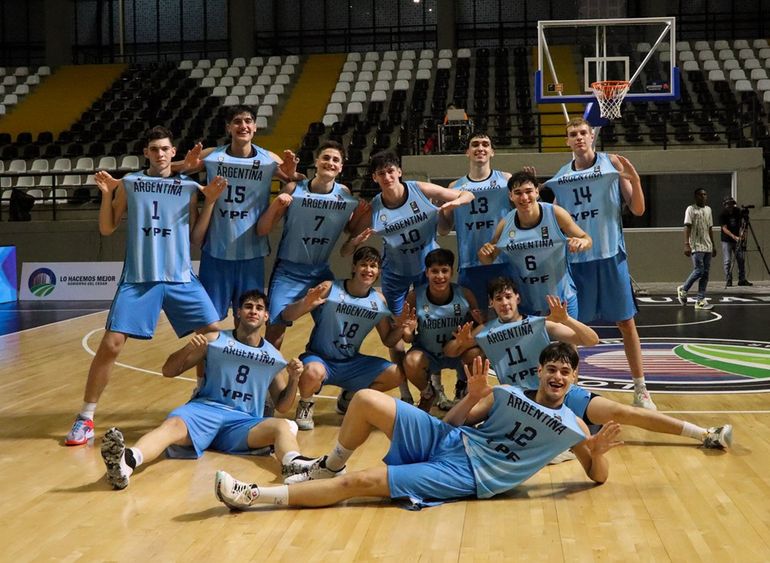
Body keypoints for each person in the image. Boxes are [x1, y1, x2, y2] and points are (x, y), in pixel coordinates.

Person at [214, 344, 625, 511]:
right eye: (551, 369)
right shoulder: (508, 394)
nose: (557, 376)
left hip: (468, 473)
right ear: (539, 371)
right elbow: (449, 423)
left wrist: (600, 454)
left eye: (564, 372)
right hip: (451, 440)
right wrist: (470, 395)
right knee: (366, 399)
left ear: (573, 378)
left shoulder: (571, 424)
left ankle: (254, 496)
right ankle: (329, 464)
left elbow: (596, 477)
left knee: (360, 483)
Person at [65, 126, 225, 446]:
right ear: (147, 153)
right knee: (111, 344)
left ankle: (199, 394)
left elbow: (195, 239)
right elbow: (108, 228)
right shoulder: (131, 183)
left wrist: (209, 203)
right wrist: (107, 194)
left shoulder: (191, 187)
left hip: (180, 277)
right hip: (140, 278)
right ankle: (85, 417)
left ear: (173, 152)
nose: (161, 154)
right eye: (154, 149)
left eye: (165, 148)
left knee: (214, 335)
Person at [449, 277, 733, 451]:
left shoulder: (538, 324)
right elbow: (451, 350)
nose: (504, 303)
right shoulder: (483, 332)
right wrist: (460, 344)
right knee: (468, 416)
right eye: (498, 299)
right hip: (520, 400)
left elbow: (592, 339)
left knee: (622, 412)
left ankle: (705, 433)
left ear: (517, 298)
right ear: (492, 303)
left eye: (508, 297)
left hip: (559, 392)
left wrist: (566, 319)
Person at [100, 289, 306, 489]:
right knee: (171, 426)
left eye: (259, 308)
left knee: (283, 426)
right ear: (238, 312)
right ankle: (126, 463)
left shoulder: (273, 357)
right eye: (248, 306)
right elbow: (168, 370)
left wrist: (294, 379)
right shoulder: (214, 340)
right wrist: (188, 349)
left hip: (243, 424)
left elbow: (283, 405)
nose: (253, 311)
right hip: (203, 412)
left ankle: (295, 466)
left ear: (266, 316)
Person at [542, 117, 656, 410]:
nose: (578, 138)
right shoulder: (560, 178)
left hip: (611, 256)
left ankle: (641, 389)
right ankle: (571, 389)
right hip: (578, 262)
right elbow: (551, 218)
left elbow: (639, 209)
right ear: (567, 141)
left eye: (583, 133)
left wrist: (636, 179)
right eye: (572, 134)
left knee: (626, 323)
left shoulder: (612, 165)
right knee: (573, 329)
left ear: (592, 136)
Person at [364, 150, 475, 403]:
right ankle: (404, 389)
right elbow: (350, 231)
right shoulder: (374, 207)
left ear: (399, 172)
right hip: (395, 273)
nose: (387, 176)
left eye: (391, 171)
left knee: (435, 325)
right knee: (398, 331)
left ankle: (436, 387)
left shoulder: (420, 189)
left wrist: (456, 202)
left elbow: (467, 194)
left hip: (428, 268)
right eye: (381, 173)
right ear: (374, 178)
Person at [179, 104, 299, 321]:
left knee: (248, 320)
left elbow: (295, 179)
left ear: (255, 127)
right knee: (209, 320)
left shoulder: (269, 159)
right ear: (228, 128)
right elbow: (179, 168)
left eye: (247, 121)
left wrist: (292, 174)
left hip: (251, 253)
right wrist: (185, 165)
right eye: (237, 121)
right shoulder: (212, 156)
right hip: (216, 252)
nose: (243, 125)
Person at [282, 246, 413, 430]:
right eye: (364, 265)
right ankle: (305, 404)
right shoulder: (330, 288)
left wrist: (401, 328)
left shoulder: (379, 301)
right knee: (312, 371)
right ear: (353, 267)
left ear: (378, 272)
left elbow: (388, 341)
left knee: (396, 374)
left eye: (373, 266)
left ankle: (350, 397)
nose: (368, 270)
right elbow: (287, 316)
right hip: (320, 359)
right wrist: (304, 304)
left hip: (351, 363)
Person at [257, 141, 371, 349]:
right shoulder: (294, 189)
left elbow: (350, 230)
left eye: (335, 160)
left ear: (341, 167)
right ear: (316, 162)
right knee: (274, 327)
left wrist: (363, 216)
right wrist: (276, 205)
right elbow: (263, 229)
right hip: (288, 271)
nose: (330, 162)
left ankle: (316, 363)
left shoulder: (344, 193)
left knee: (332, 323)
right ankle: (267, 377)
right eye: (326, 158)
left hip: (320, 271)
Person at [478, 169, 591, 318]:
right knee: (536, 342)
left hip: (561, 298)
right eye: (518, 192)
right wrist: (483, 253)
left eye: (528, 191)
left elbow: (587, 238)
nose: (524, 197)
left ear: (537, 192)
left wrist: (581, 242)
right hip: (526, 302)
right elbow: (488, 259)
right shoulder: (506, 224)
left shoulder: (556, 214)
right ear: (510, 196)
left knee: (570, 341)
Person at [437, 132, 513, 311]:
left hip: (503, 260)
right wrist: (440, 209)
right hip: (469, 263)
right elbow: (443, 230)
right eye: (475, 144)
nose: (480, 148)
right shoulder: (454, 187)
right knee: (476, 319)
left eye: (485, 144)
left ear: (492, 152)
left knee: (508, 317)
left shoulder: (506, 180)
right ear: (467, 152)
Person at [401, 248, 483, 411]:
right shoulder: (414, 297)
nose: (440, 276)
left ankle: (463, 387)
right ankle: (428, 393)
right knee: (410, 362)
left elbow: (481, 325)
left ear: (451, 272)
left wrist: (469, 337)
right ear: (427, 273)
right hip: (428, 353)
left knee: (477, 354)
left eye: (444, 271)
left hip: (458, 352)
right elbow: (407, 339)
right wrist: (408, 331)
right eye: (434, 271)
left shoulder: (465, 294)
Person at [677, 188, 717, 310]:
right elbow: (687, 226)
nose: (703, 196)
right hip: (696, 245)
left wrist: (713, 245)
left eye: (705, 194)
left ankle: (700, 300)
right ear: (696, 197)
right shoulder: (691, 209)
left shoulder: (708, 210)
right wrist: (686, 244)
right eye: (701, 195)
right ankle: (683, 289)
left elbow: (710, 228)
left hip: (707, 246)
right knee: (699, 270)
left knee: (705, 273)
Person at [719, 195, 752, 287]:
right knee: (727, 261)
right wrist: (734, 237)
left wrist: (742, 234)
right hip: (727, 240)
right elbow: (724, 229)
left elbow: (742, 224)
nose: (729, 206)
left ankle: (742, 279)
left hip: (737, 239)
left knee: (741, 259)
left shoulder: (737, 211)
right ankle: (728, 280)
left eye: (731, 204)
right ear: (725, 205)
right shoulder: (722, 214)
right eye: (728, 204)